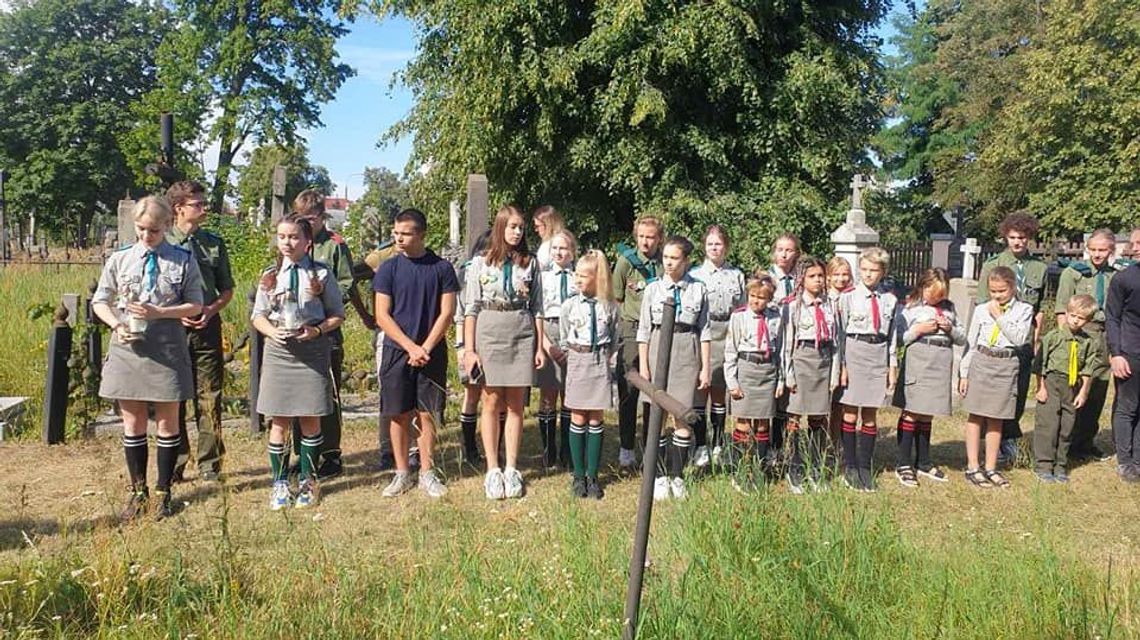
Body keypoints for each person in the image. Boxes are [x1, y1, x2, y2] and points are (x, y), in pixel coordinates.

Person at [92, 196, 204, 521]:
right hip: (129, 347)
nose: (146, 235)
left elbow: (196, 305)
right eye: (141, 229)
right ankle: (138, 492)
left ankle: (163, 492)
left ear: (167, 225)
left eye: (153, 230)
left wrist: (160, 312)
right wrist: (116, 324)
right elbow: (101, 300)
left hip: (167, 346)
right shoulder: (120, 259)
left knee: (168, 422)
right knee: (133, 421)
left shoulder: (183, 259)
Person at [252, 216, 345, 509]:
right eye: (282, 237)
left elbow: (337, 315)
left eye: (293, 237)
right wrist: (272, 332)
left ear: (307, 242)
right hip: (280, 353)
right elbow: (258, 316)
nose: (287, 243)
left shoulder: (321, 274)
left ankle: (308, 481)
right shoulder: (270, 275)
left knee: (310, 418)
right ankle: (279, 483)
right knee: (279, 420)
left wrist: (316, 330)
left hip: (311, 353)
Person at [373, 209, 459, 498]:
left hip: (431, 352)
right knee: (397, 413)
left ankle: (427, 472)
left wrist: (426, 347)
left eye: (405, 233)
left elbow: (447, 313)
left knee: (427, 414)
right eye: (396, 233)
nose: (398, 238)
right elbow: (382, 315)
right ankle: (401, 473)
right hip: (397, 351)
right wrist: (410, 347)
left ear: (421, 234)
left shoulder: (442, 268)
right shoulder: (388, 269)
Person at [463, 205, 546, 500]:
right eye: (512, 226)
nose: (517, 232)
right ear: (500, 227)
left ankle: (511, 467)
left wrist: (539, 346)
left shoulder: (530, 263)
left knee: (516, 404)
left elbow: (538, 307)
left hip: (520, 329)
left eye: (521, 227)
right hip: (490, 328)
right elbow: (471, 308)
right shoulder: (481, 263)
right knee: (491, 400)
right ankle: (492, 469)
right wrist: (469, 350)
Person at [165, 181, 234, 483]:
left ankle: (210, 464)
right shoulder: (163, 241)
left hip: (206, 326)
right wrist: (176, 314)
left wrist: (211, 310)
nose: (204, 208)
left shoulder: (213, 243)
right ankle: (175, 462)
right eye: (197, 204)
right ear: (179, 208)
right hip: (171, 329)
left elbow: (227, 289)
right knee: (173, 396)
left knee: (209, 396)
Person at [637, 235, 711, 501]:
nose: (668, 263)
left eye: (674, 258)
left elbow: (705, 331)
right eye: (666, 257)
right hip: (658, 348)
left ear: (686, 260)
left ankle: (677, 475)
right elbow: (644, 330)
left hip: (686, 348)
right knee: (656, 416)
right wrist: (644, 366)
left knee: (682, 415)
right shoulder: (653, 289)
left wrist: (704, 367)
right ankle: (657, 476)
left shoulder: (699, 289)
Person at [293, 190, 355, 479]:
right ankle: (302, 453)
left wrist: (323, 291)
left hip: (326, 328)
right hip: (296, 328)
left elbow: (347, 283)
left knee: (328, 393)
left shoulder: (334, 246)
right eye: (301, 218)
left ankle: (331, 453)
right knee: (297, 393)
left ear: (321, 216)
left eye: (311, 218)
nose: (306, 223)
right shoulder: (293, 241)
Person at [977, 211, 1047, 464]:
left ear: (1030, 238)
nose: (1017, 242)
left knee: (1018, 391)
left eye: (1022, 237)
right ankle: (992, 440)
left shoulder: (1039, 268)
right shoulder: (992, 265)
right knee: (994, 393)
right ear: (1005, 236)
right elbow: (983, 303)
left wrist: (1036, 337)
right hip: (998, 340)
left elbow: (1039, 307)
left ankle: (1009, 437)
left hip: (1024, 339)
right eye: (1013, 237)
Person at [1055, 229, 1127, 461]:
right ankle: (1064, 442)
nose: (1097, 254)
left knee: (1097, 390)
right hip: (1081, 334)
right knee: (1074, 388)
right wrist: (1066, 341)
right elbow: (1061, 310)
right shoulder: (1074, 273)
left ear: (1111, 250)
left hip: (1105, 336)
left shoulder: (1116, 275)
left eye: (1102, 250)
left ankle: (1085, 442)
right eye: (1093, 249)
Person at [959, 266, 1035, 488]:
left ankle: (991, 467)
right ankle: (973, 466)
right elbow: (971, 342)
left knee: (996, 417)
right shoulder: (981, 309)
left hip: (1006, 363)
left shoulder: (1024, 310)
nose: (997, 295)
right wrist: (964, 373)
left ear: (1013, 287)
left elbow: (1019, 338)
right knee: (976, 415)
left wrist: (999, 316)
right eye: (993, 291)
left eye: (1002, 291)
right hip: (982, 361)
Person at [892, 268, 966, 487]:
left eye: (941, 295)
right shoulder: (911, 308)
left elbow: (962, 338)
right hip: (919, 359)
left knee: (927, 414)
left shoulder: (949, 308)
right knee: (913, 411)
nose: (937, 299)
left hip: (940, 361)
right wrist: (918, 330)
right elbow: (899, 338)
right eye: (933, 294)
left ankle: (923, 461)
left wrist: (950, 329)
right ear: (923, 287)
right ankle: (904, 463)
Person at [560, 249, 620, 499]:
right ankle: (578, 475)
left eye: (584, 276)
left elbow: (615, 337)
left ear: (598, 278)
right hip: (578, 359)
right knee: (577, 415)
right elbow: (564, 336)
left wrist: (607, 359)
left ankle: (592, 476)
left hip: (599, 361)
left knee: (595, 417)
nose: (578, 280)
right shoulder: (570, 305)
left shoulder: (609, 307)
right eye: (577, 274)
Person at [836, 249, 897, 492]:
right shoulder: (848, 297)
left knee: (870, 413)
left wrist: (892, 365)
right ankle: (850, 466)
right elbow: (840, 334)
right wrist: (842, 365)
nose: (868, 274)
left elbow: (892, 336)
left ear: (883, 272)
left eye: (874, 270)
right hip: (855, 351)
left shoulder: (889, 300)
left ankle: (865, 466)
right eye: (864, 269)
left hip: (877, 353)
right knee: (850, 412)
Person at [781, 258, 842, 494]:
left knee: (818, 416)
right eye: (812, 276)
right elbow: (787, 344)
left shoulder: (830, 305)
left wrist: (835, 373)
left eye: (820, 276)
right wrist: (789, 375)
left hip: (823, 361)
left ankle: (815, 465)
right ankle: (794, 466)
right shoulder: (793, 306)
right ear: (801, 279)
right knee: (795, 416)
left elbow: (836, 342)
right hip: (801, 361)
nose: (817, 280)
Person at [688, 225, 746, 468]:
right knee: (702, 389)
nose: (714, 248)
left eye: (718, 244)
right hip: (704, 332)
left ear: (726, 246)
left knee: (720, 391)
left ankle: (719, 444)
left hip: (728, 332)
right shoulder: (695, 275)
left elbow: (742, 308)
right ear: (704, 246)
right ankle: (700, 444)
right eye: (710, 243)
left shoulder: (737, 275)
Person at [612, 216, 665, 471]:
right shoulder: (626, 262)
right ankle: (626, 446)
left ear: (659, 239)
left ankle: (650, 446)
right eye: (642, 236)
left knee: (653, 389)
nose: (646, 241)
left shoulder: (664, 262)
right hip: (632, 329)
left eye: (651, 237)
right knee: (629, 388)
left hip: (657, 330)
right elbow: (618, 297)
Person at [723, 276, 783, 493]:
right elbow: (730, 350)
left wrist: (781, 379)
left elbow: (781, 350)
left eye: (762, 298)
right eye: (753, 296)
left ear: (769, 299)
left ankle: (759, 470)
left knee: (763, 423)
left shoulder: (776, 317)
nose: (756, 301)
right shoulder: (739, 317)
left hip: (767, 371)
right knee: (743, 422)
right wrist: (732, 382)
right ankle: (741, 470)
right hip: (746, 370)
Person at [1033, 294, 1101, 483]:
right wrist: (1040, 387)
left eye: (1081, 318)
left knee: (1067, 427)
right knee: (1048, 425)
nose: (1076, 320)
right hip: (1052, 383)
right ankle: (1043, 465)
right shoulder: (1053, 337)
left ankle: (1060, 465)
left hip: (1072, 387)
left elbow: (1088, 369)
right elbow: (1040, 365)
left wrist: (1083, 392)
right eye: (1073, 315)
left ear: (1088, 320)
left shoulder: (1088, 342)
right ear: (1067, 313)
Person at [536, 230, 578, 468]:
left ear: (572, 252)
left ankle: (567, 450)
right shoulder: (542, 278)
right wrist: (546, 345)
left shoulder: (578, 277)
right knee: (548, 393)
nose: (559, 253)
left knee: (569, 395)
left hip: (572, 333)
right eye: (555, 248)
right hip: (549, 330)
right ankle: (548, 449)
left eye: (564, 248)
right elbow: (536, 312)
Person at [455, 230, 495, 465]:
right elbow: (461, 313)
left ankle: (496, 447)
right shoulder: (467, 271)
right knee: (472, 394)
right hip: (471, 339)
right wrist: (462, 346)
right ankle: (469, 448)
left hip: (496, 339)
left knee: (496, 395)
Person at [763, 233, 802, 459]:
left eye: (789, 250)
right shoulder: (766, 278)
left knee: (786, 397)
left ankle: (779, 446)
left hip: (794, 340)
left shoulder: (800, 280)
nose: (784, 254)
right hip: (771, 339)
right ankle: (762, 446)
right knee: (770, 392)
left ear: (796, 253)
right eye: (780, 249)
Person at [1106, 227, 1140, 483]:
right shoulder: (1124, 279)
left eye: (1139, 243)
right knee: (1127, 408)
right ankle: (1125, 462)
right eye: (1133, 243)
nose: (1134, 248)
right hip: (1129, 353)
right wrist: (1116, 353)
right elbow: (1112, 318)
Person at [826, 255, 854, 448]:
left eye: (845, 274)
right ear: (828, 276)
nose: (841, 279)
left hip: (848, 353)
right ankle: (821, 443)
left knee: (840, 403)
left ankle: (836, 443)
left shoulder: (853, 297)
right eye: (836, 274)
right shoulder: (825, 298)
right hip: (828, 355)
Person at [532, 205, 566, 271]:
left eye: (537, 226)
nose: (536, 230)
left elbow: (537, 269)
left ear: (548, 225)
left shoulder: (549, 246)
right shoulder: (565, 241)